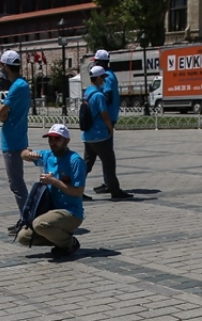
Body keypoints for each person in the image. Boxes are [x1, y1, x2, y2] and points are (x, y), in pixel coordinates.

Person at [18, 124, 85, 258]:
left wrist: (54, 181)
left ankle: (69, 243)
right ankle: (61, 241)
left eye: (57, 139)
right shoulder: (48, 155)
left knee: (40, 224)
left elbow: (78, 191)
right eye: (50, 139)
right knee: (23, 237)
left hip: (71, 212)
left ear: (66, 141)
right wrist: (29, 154)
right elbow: (23, 154)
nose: (53, 142)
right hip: (52, 210)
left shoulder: (75, 161)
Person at [0, 50, 30, 235]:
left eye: (2, 66)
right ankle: (26, 217)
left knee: (16, 184)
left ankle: (27, 220)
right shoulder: (22, 85)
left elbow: (0, 113)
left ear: (7, 67)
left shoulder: (17, 86)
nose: (1, 69)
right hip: (18, 137)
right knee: (17, 182)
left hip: (12, 140)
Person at [82, 67, 130, 200]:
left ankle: (76, 190)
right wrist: (110, 128)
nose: (104, 80)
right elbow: (104, 114)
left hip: (88, 135)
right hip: (100, 135)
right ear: (97, 78)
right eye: (103, 77)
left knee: (86, 165)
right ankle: (115, 191)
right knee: (109, 163)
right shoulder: (98, 95)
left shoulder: (87, 92)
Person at [90, 48, 121, 196]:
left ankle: (110, 184)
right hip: (105, 119)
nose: (94, 64)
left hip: (106, 119)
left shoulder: (107, 77)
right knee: (103, 155)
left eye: (96, 62)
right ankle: (109, 183)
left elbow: (107, 96)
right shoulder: (110, 75)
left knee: (105, 155)